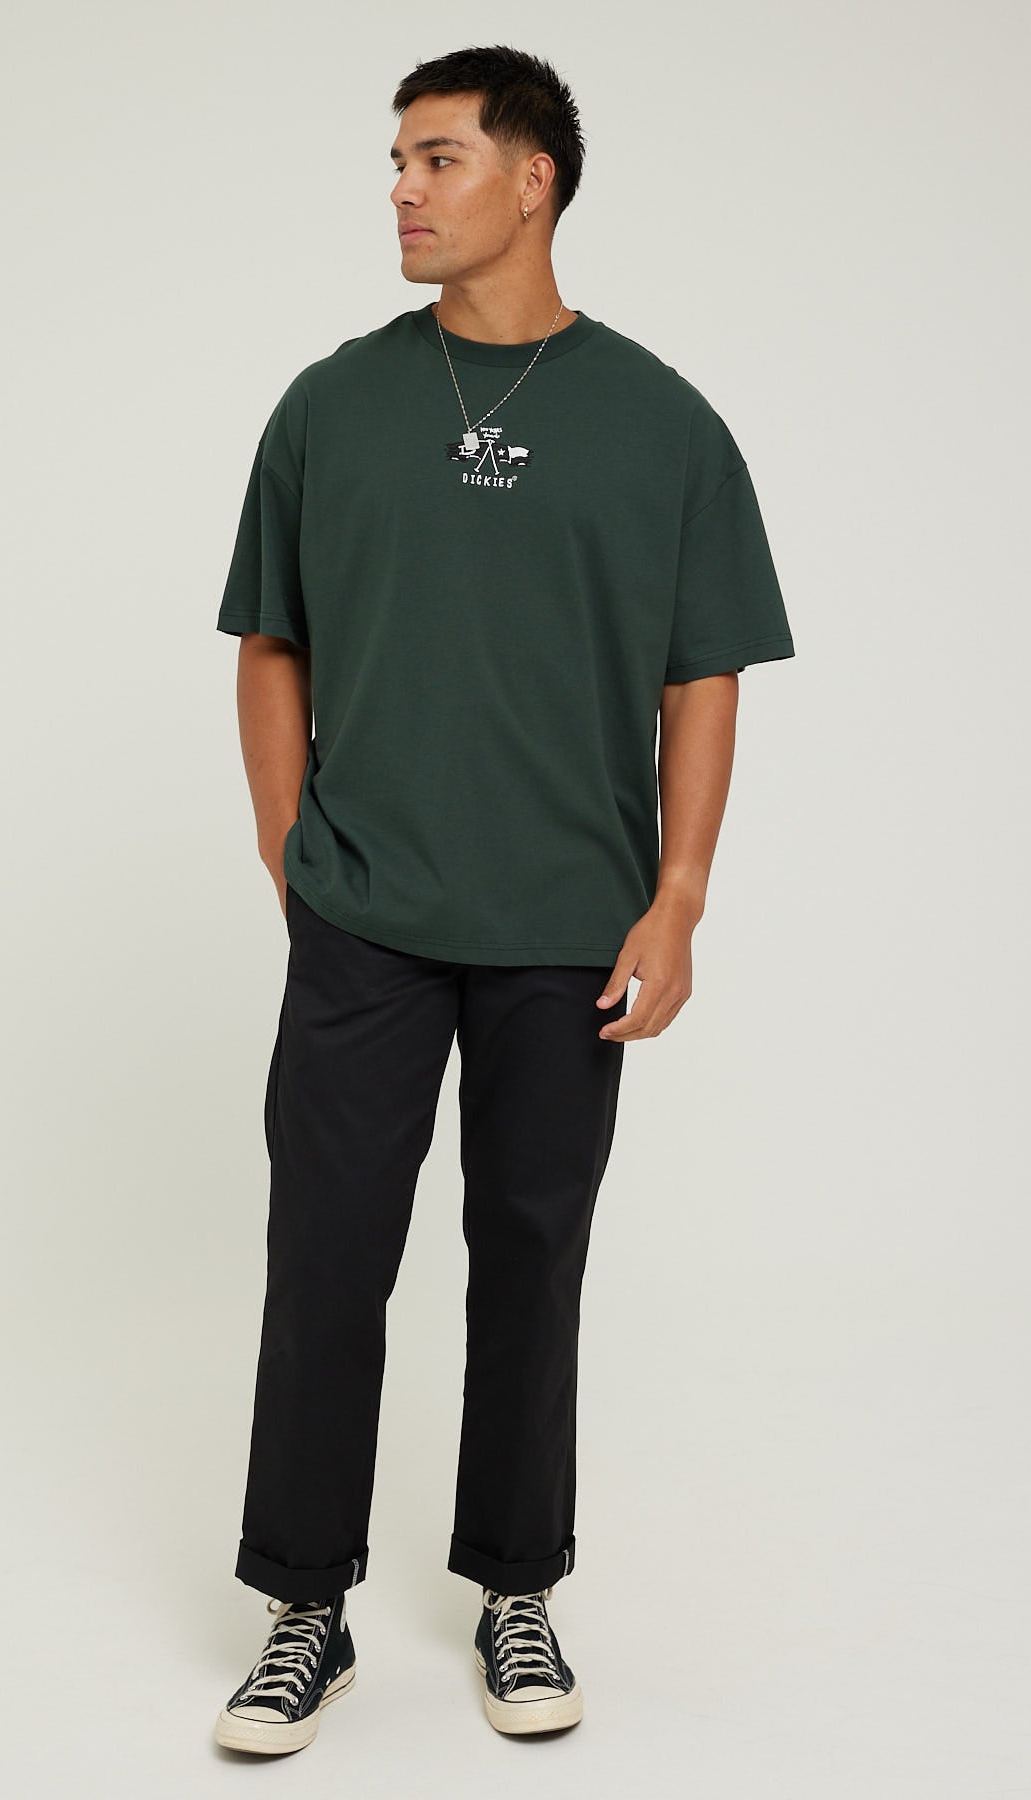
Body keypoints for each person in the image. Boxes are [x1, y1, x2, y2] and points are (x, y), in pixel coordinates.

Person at [212, 43, 796, 1756]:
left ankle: (516, 1586)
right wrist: (292, 854)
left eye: (438, 157)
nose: (402, 188)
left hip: (567, 924)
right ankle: (302, 1606)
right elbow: (269, 639)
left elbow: (703, 672)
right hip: (366, 916)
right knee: (327, 1256)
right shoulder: (329, 406)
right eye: (397, 159)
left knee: (532, 1259)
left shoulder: (663, 423)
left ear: (533, 180)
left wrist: (679, 894)